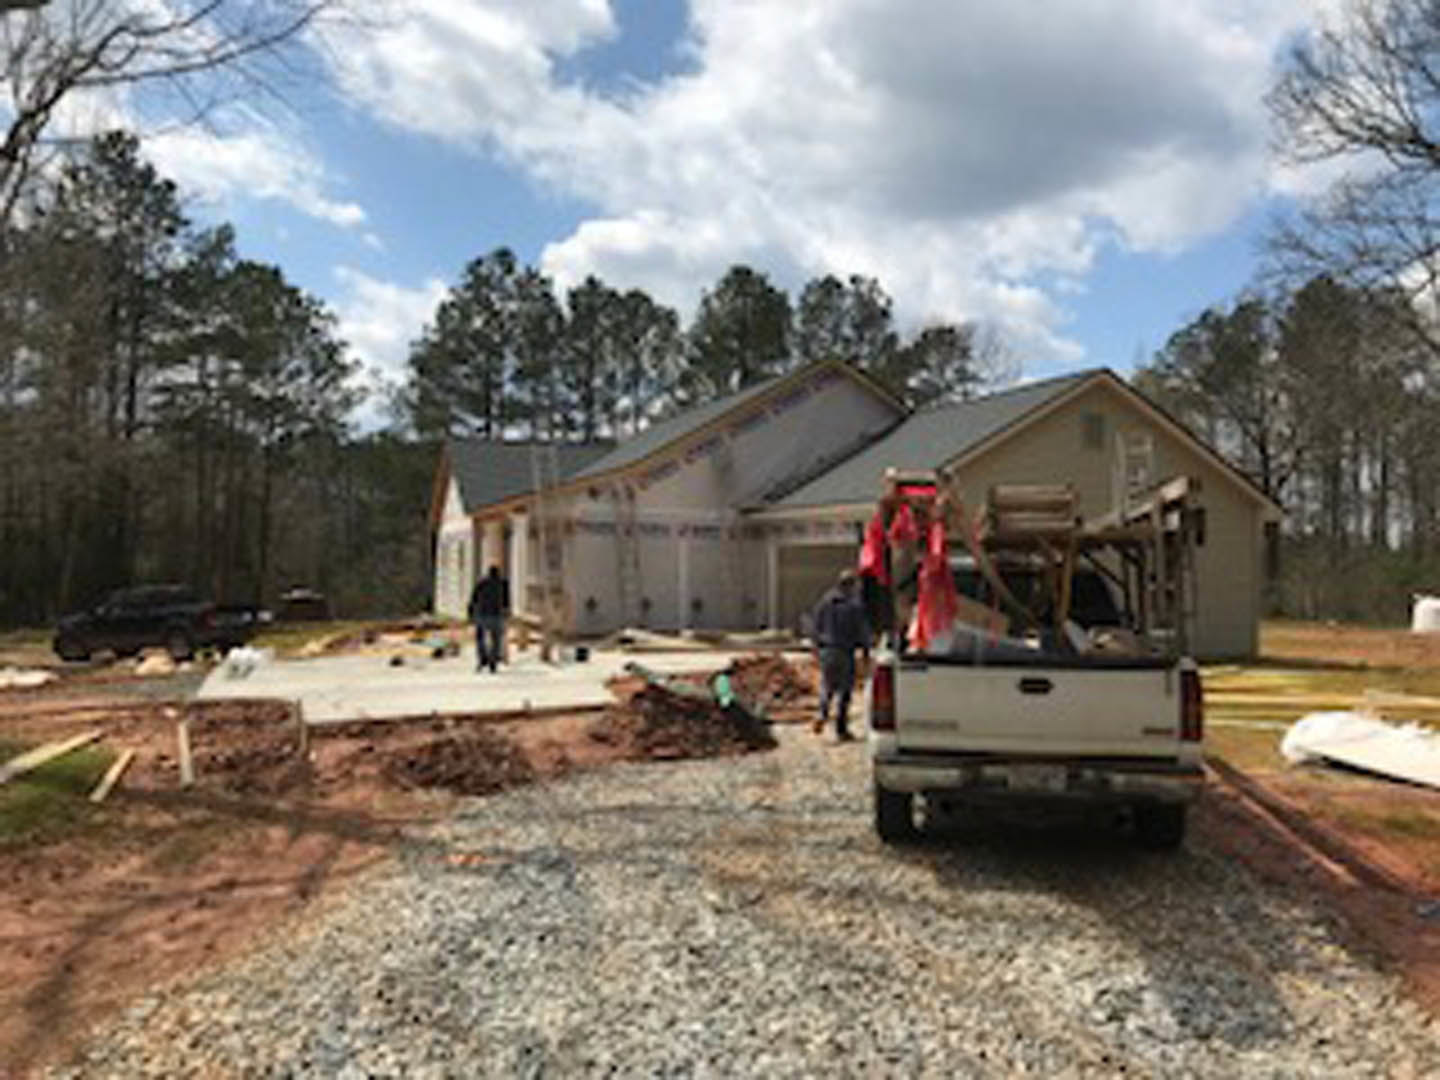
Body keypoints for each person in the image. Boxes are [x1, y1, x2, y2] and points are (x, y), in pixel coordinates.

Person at [809, 569, 872, 741]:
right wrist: (866, 653)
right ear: (851, 585)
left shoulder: (825, 601)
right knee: (845, 692)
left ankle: (822, 714)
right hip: (846, 652)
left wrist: (815, 649)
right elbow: (862, 631)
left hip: (828, 651)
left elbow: (815, 626)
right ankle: (841, 729)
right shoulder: (855, 605)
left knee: (827, 686)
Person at [468, 565, 510, 673]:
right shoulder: (503, 584)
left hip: (482, 614)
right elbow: (506, 601)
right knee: (496, 640)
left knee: (480, 638)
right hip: (496, 615)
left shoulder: (481, 583)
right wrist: (506, 613)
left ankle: (483, 658)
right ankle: (493, 661)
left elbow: (473, 598)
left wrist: (470, 613)